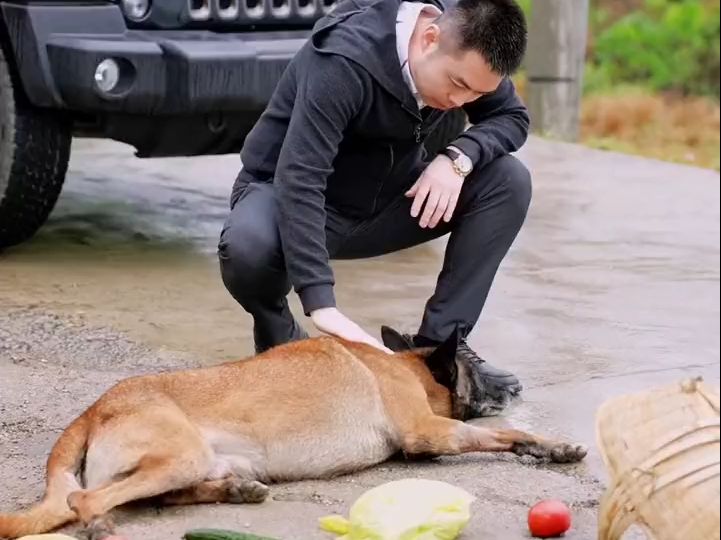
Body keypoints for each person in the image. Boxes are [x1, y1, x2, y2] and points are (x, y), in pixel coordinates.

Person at [218, 0, 531, 414]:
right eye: (457, 83)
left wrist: (457, 158)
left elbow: (512, 117)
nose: (462, 100)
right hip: (293, 201)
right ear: (431, 37)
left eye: (477, 92)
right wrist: (322, 306)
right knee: (247, 247)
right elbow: (302, 178)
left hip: (385, 202)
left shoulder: (469, 42)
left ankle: (438, 353)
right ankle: (280, 336)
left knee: (508, 180)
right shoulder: (344, 58)